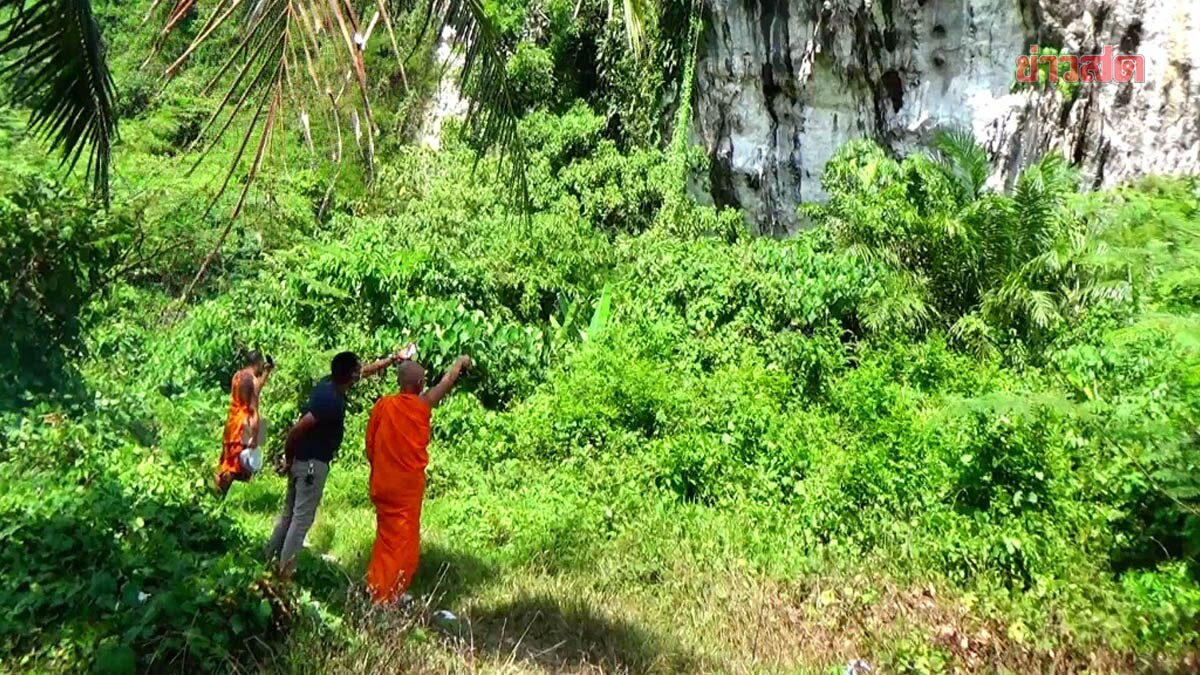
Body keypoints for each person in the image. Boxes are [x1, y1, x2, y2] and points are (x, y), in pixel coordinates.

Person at [265, 349, 404, 573]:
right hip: (311, 465)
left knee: (289, 515)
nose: (360, 372)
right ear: (350, 374)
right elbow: (298, 429)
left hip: (303, 461)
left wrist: (390, 360)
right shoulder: (330, 400)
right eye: (356, 369)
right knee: (300, 521)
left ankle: (268, 561)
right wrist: (288, 459)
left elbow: (364, 372)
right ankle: (284, 574)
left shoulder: (329, 383)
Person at [365, 353, 472, 604]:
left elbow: (370, 445)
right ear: (420, 385)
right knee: (403, 545)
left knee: (385, 539)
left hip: (382, 484)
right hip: (405, 491)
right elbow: (444, 385)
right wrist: (459, 364)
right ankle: (387, 595)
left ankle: (375, 586)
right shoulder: (421, 405)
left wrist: (382, 467)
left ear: (399, 383)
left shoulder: (384, 405)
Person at [216, 350, 274, 496]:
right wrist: (254, 437)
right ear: (259, 362)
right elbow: (253, 410)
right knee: (232, 468)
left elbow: (254, 390)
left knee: (228, 463)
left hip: (232, 423)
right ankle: (216, 498)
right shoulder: (252, 380)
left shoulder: (238, 376)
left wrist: (267, 372)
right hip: (244, 425)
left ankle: (215, 498)